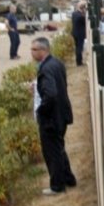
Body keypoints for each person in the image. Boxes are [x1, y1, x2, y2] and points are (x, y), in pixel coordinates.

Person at [31, 37, 76, 195]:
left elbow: (50, 94)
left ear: (43, 50)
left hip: (51, 118)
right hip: (61, 114)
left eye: (34, 50)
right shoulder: (56, 63)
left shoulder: (45, 69)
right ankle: (68, 178)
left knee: (52, 152)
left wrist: (41, 110)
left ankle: (57, 185)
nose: (32, 53)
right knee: (59, 147)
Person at [71, 1, 87, 66]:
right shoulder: (81, 17)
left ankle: (78, 61)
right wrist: (84, 14)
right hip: (80, 34)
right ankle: (79, 62)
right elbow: (85, 23)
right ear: (83, 8)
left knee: (77, 47)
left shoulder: (74, 13)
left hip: (74, 32)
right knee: (79, 48)